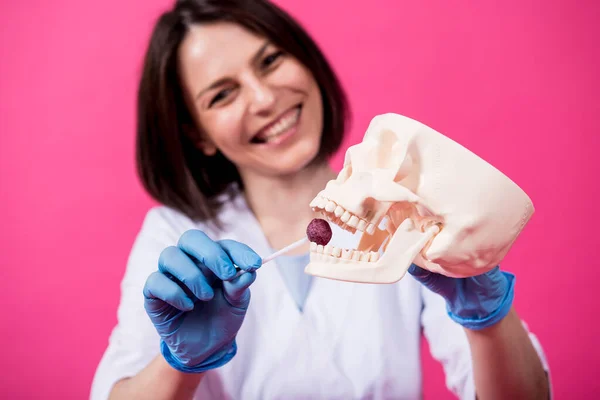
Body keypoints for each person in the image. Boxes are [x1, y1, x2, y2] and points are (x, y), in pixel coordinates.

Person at [90, 0, 552, 398]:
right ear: (198, 135)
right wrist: (180, 363)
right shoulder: (174, 233)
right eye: (223, 94)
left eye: (270, 61)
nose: (265, 98)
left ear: (306, 62)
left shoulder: (408, 210)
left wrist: (487, 317)